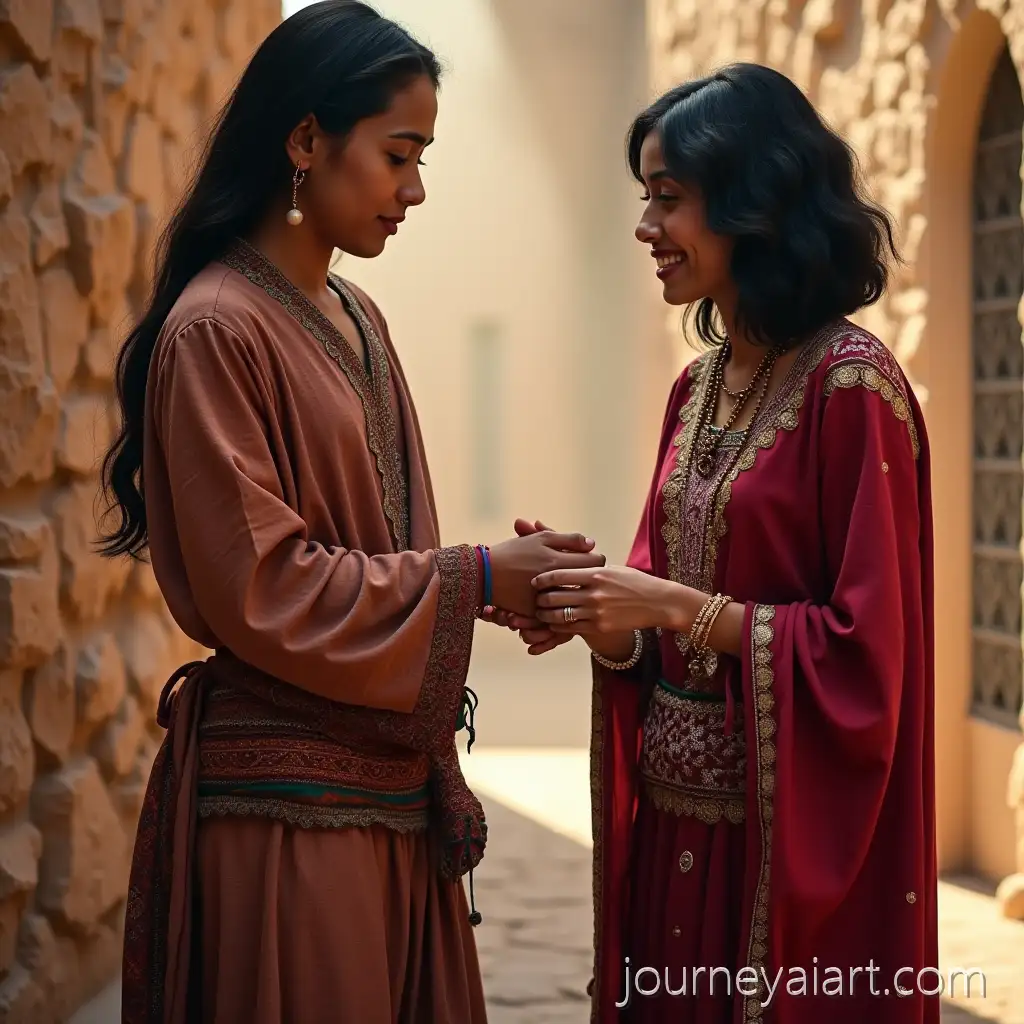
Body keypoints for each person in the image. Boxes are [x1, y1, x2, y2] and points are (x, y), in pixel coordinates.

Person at [97, 3, 605, 1022]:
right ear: (304, 141)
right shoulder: (214, 331)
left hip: (388, 803)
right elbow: (265, 586)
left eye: (424, 158)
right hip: (289, 827)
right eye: (397, 154)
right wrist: (471, 579)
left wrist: (498, 591)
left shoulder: (358, 318)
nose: (415, 189)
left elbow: (379, 552)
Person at [508, 64, 938, 1023]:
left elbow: (869, 658)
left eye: (669, 199)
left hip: (776, 856)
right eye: (643, 199)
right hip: (670, 840)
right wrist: (593, 608)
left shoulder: (852, 391)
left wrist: (669, 607)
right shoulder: (696, 389)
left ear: (753, 201)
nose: (644, 227)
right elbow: (657, 615)